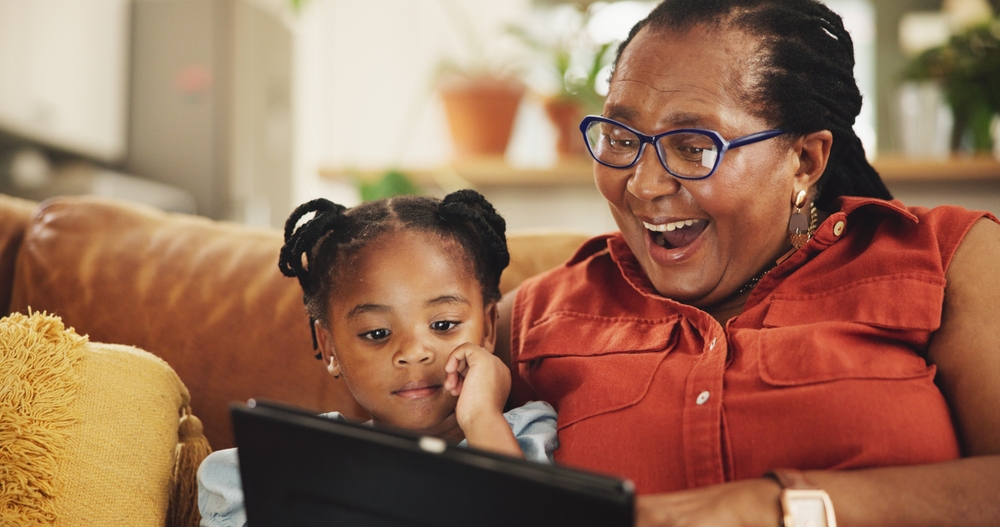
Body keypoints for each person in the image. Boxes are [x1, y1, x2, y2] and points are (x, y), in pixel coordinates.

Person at [496, 0, 1000, 525]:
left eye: (692, 147)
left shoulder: (948, 261)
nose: (644, 185)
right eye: (621, 140)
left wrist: (771, 507)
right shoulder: (538, 315)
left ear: (804, 161)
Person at [198, 190, 558, 527]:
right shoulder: (281, 466)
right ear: (329, 348)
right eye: (377, 333)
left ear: (489, 328)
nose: (414, 352)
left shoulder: (525, 438)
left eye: (444, 324)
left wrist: (481, 417)